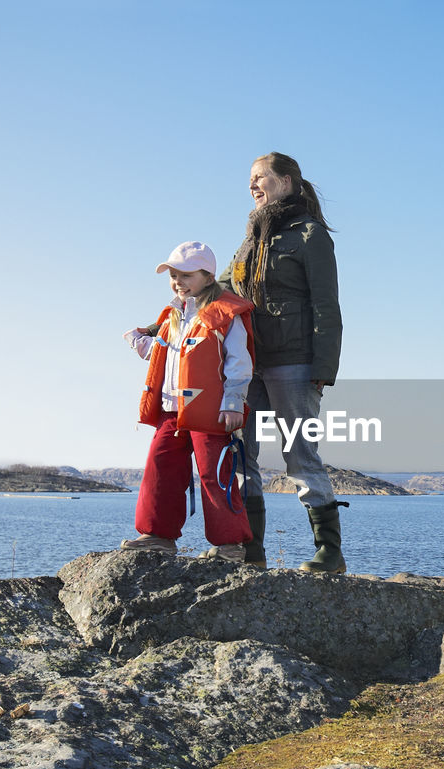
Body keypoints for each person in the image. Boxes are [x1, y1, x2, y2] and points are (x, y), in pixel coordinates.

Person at [217, 152, 347, 574]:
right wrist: (161, 320)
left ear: (287, 182)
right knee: (240, 453)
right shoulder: (250, 239)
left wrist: (323, 369)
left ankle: (329, 554)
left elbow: (327, 305)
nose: (253, 186)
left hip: (296, 363)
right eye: (249, 180)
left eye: (261, 178)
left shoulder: (310, 234)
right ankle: (250, 550)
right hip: (249, 363)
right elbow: (217, 292)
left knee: (299, 453)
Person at [120, 241, 256, 559]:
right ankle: (157, 536)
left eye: (185, 275)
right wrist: (136, 341)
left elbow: (239, 361)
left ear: (208, 276)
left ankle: (230, 546)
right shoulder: (172, 318)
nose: (177, 281)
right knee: (160, 466)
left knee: (214, 473)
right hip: (171, 410)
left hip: (211, 412)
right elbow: (163, 356)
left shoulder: (225, 313)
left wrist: (234, 402)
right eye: (173, 275)